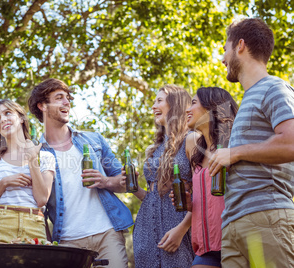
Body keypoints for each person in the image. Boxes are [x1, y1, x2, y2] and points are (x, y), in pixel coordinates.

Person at [208, 18, 294, 267]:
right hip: (234, 225)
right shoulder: (247, 100)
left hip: (266, 217)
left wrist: (235, 153)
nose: (223, 58)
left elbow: (290, 143)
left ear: (240, 46)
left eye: (225, 48)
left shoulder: (274, 88)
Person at [28, 78, 133, 267]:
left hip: (107, 233)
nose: (67, 102)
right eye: (59, 98)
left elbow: (124, 182)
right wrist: (49, 244)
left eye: (67, 98)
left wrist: (105, 181)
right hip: (68, 241)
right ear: (42, 106)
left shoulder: (93, 140)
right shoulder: (36, 153)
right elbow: (37, 206)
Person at [0, 99, 55, 244]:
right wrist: (4, 183)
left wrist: (32, 159)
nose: (3, 119)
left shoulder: (45, 156)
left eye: (7, 113)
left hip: (34, 224)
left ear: (22, 118)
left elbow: (42, 199)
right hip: (0, 225)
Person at [173, 87, 238, 267]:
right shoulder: (198, 156)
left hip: (235, 243)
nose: (187, 110)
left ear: (211, 108)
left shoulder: (234, 146)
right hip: (205, 248)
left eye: (193, 103)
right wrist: (190, 204)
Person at [131, 85, 195, 268]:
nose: (153, 106)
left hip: (178, 225)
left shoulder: (192, 139)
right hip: (146, 227)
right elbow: (154, 197)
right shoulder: (155, 149)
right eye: (154, 101)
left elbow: (203, 191)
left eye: (159, 100)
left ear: (176, 104)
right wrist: (135, 188)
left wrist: (182, 229)